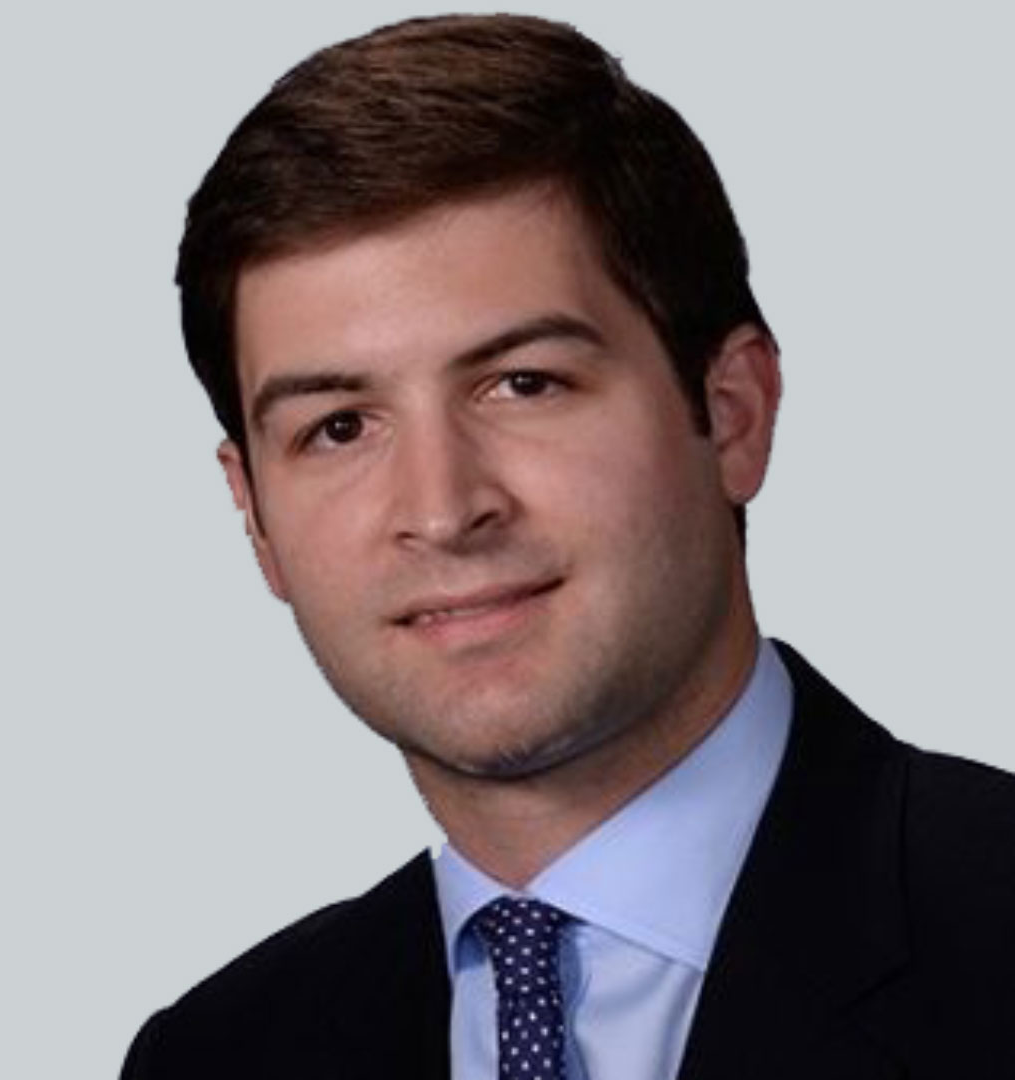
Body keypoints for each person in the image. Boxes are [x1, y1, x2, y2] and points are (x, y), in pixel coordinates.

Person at [120, 13, 1015, 1080]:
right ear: (255, 515)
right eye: (340, 427)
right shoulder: (217, 1056)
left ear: (732, 414)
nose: (442, 509)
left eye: (523, 383)